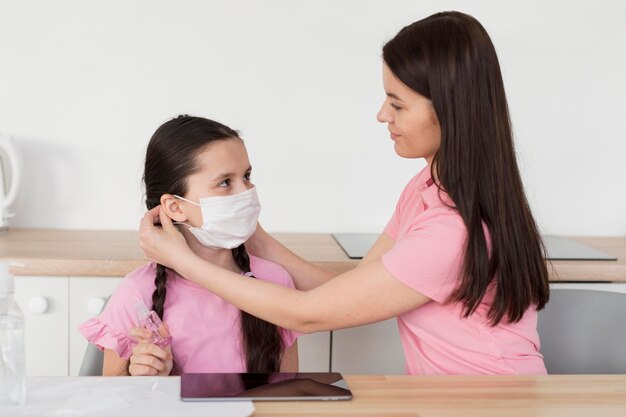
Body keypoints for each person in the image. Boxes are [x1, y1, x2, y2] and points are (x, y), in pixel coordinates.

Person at [138, 11, 550, 375]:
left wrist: (182, 261)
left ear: (449, 107)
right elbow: (353, 287)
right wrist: (256, 238)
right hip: (446, 397)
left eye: (398, 104)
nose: (382, 114)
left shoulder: (452, 230)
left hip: (495, 401)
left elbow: (308, 315)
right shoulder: (425, 189)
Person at [78, 115, 299, 376]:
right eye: (225, 182)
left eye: (247, 176)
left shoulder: (275, 281)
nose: (246, 191)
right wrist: (140, 378)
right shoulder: (137, 293)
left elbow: (288, 395)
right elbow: (112, 402)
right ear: (175, 207)